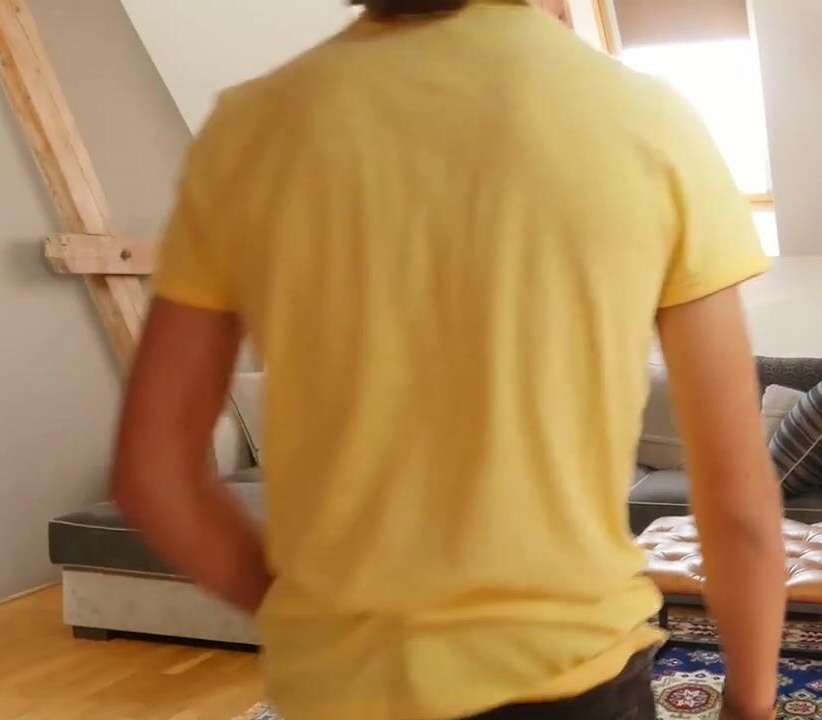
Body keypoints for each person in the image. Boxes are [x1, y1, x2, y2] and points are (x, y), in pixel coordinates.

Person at [110, 0, 786, 717]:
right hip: (573, 678)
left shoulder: (253, 128)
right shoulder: (650, 121)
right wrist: (751, 706)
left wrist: (312, 619)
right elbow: (739, 505)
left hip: (346, 691)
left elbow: (154, 475)